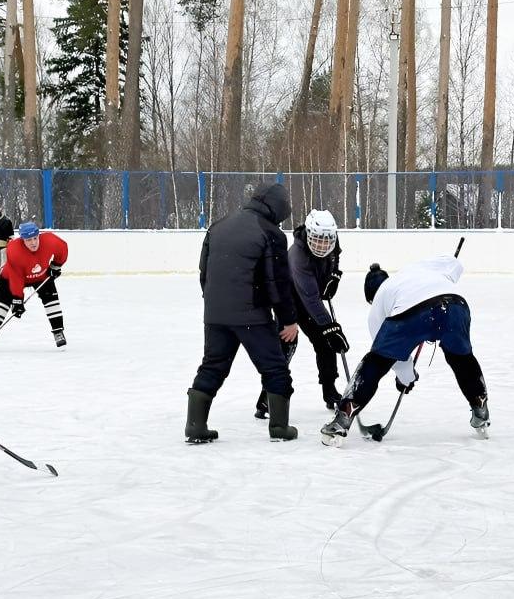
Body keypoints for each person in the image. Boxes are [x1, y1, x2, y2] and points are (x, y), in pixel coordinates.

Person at [319, 256, 489, 447]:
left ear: (371, 295)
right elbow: (454, 264)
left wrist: (406, 378)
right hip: (456, 305)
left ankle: (343, 417)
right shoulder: (417, 268)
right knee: (461, 358)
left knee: (375, 362)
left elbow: (389, 357)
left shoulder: (379, 302)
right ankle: (480, 406)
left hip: (413, 311)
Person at [187, 183, 299, 443]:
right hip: (252, 315)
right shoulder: (270, 233)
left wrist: (213, 303)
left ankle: (195, 426)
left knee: (212, 366)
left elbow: (204, 271)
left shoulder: (218, 226)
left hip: (215, 313)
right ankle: (280, 427)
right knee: (275, 368)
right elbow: (278, 283)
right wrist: (289, 319)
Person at [254, 209, 347, 420]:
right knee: (287, 345)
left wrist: (333, 275)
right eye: (318, 240)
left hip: (310, 294)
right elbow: (311, 299)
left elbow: (336, 255)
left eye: (327, 241)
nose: (323, 245)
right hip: (289, 299)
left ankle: (329, 390)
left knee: (325, 343)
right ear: (309, 233)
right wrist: (330, 326)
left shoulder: (331, 238)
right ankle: (267, 396)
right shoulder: (297, 256)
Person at [0, 222, 69, 350]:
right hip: (11, 277)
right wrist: (17, 300)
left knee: (52, 300)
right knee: (1, 304)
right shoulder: (14, 249)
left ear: (39, 236)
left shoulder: (50, 240)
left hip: (41, 276)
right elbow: (16, 277)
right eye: (28, 240)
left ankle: (58, 331)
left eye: (35, 238)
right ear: (22, 239)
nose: (33, 242)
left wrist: (56, 266)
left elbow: (63, 248)